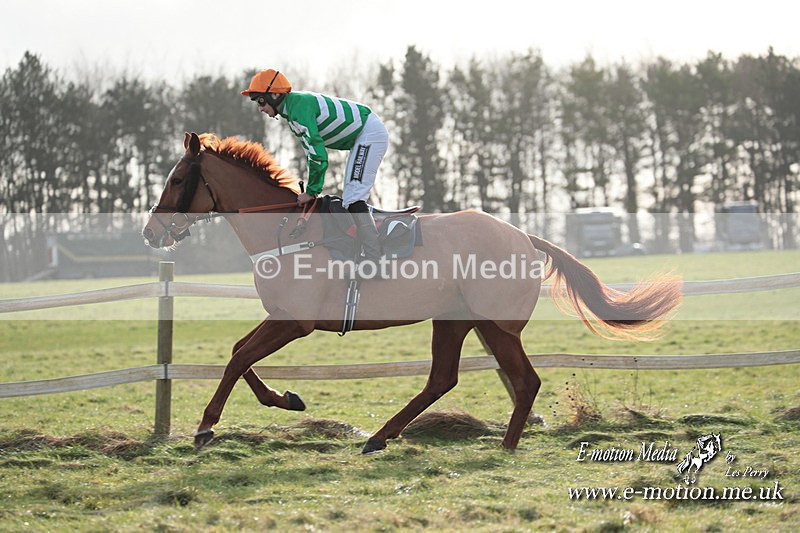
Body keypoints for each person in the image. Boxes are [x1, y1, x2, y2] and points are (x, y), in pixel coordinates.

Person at [242, 69, 389, 276]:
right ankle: (363, 251)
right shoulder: (292, 111)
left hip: (369, 133)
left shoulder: (298, 109)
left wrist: (312, 191)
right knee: (349, 199)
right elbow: (313, 153)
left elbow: (319, 156)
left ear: (275, 95)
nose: (260, 108)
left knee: (354, 197)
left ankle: (375, 261)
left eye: (260, 101)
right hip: (363, 135)